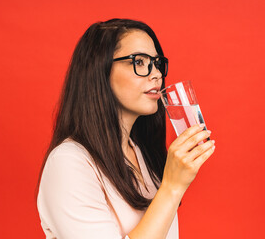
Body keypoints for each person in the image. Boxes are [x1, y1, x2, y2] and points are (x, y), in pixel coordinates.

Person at [36, 18, 216, 239]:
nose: (157, 74)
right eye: (139, 62)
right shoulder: (69, 162)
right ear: (99, 71)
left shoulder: (142, 154)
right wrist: (172, 187)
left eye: (157, 63)